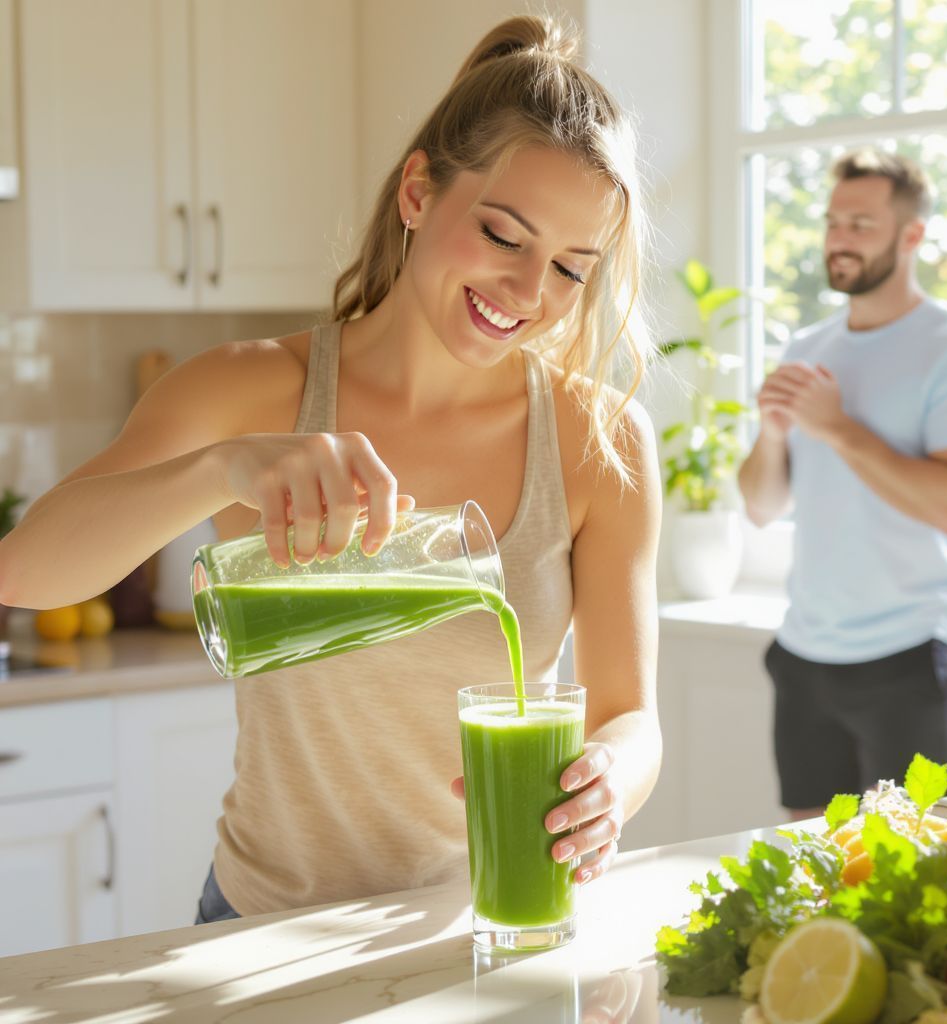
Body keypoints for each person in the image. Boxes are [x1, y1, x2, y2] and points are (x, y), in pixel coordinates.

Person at [0, 16, 663, 920]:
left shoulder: (601, 442)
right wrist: (220, 470)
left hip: (491, 915)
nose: (529, 293)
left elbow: (632, 717)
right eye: (506, 236)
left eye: (570, 270)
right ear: (419, 191)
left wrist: (607, 781)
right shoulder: (248, 392)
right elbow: (26, 571)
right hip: (264, 929)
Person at [738, 148, 947, 819]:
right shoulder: (807, 349)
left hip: (911, 654)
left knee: (910, 870)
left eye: (861, 224)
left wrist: (836, 428)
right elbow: (762, 505)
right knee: (810, 863)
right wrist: (774, 431)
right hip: (805, 653)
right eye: (834, 222)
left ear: (911, 236)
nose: (839, 239)